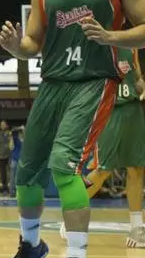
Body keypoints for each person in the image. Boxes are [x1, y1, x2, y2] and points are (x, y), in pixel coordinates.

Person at [0, 0, 145, 258]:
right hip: (52, 83)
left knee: (64, 164)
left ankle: (76, 255)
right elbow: (33, 43)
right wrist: (17, 48)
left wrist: (110, 37)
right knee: (27, 171)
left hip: (94, 81)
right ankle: (31, 246)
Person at [59, 48, 145, 247]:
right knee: (103, 170)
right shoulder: (97, 45)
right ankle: (71, 216)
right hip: (109, 112)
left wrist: (141, 85)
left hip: (133, 111)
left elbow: (137, 79)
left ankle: (137, 228)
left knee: (136, 168)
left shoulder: (131, 46)